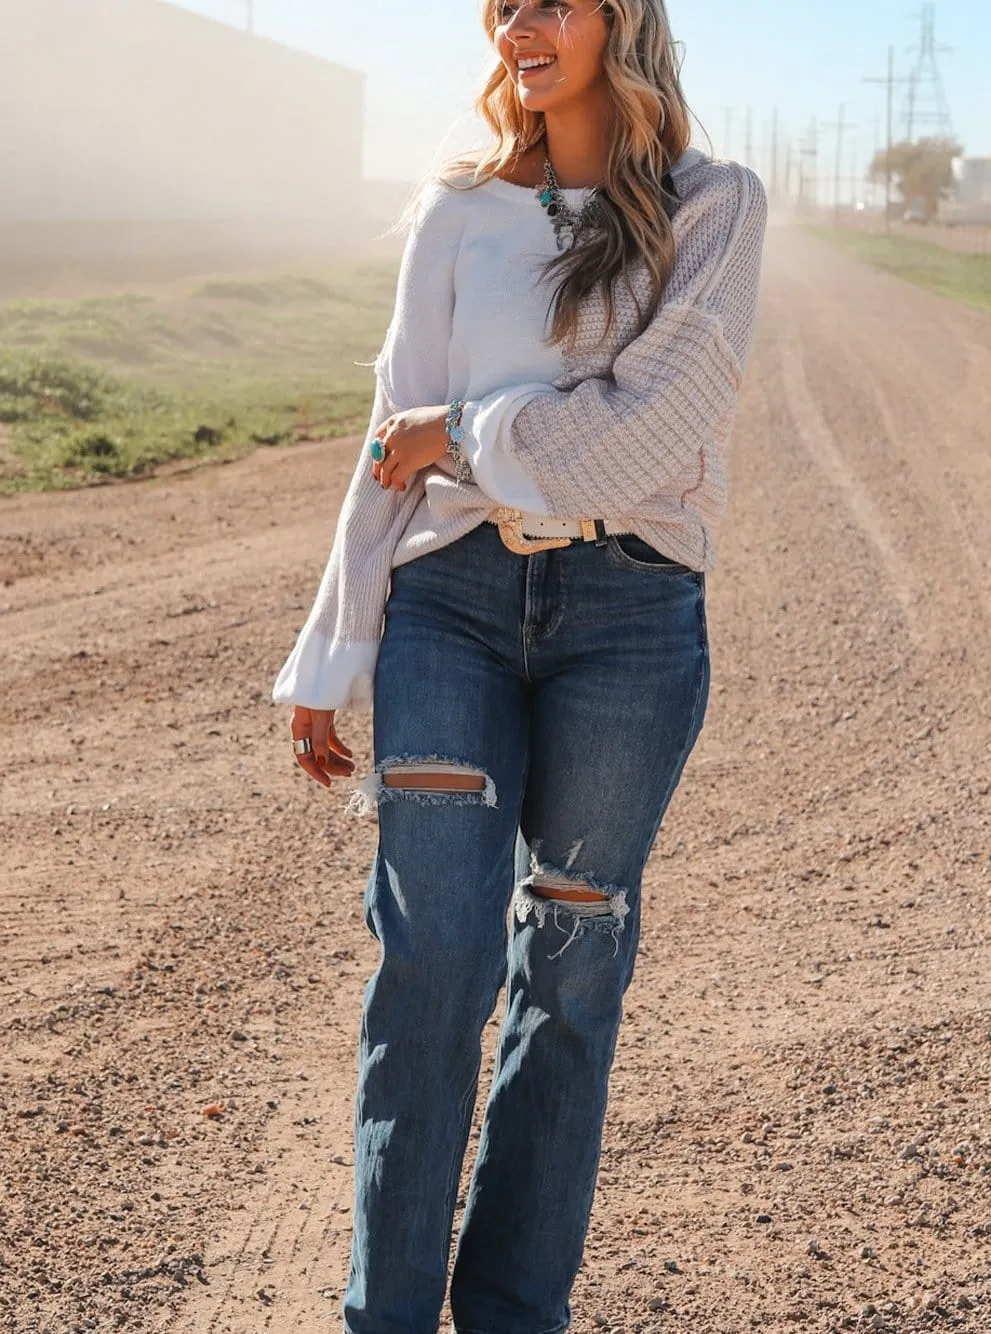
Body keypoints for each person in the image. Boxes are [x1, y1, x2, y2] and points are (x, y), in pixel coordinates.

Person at [272, 1, 767, 1330]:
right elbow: (388, 446)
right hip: (452, 607)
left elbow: (652, 439)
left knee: (572, 968)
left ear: (623, 18)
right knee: (429, 964)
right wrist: (332, 646)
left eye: (554, 0)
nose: (521, 26)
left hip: (630, 617)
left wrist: (466, 432)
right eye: (503, 4)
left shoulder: (715, 208)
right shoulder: (457, 214)